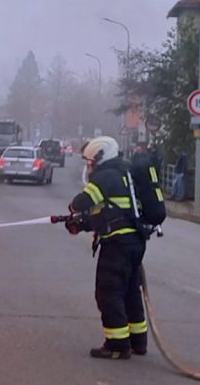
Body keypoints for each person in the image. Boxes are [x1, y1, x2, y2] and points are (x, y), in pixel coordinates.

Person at [65, 136, 147, 359]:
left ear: (101, 156)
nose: (89, 166)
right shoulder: (126, 172)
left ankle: (117, 345)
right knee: (130, 292)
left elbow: (80, 203)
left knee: (108, 292)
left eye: (91, 162)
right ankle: (138, 342)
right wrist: (81, 224)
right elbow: (112, 211)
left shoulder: (105, 177)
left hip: (117, 244)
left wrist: (74, 212)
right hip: (135, 241)